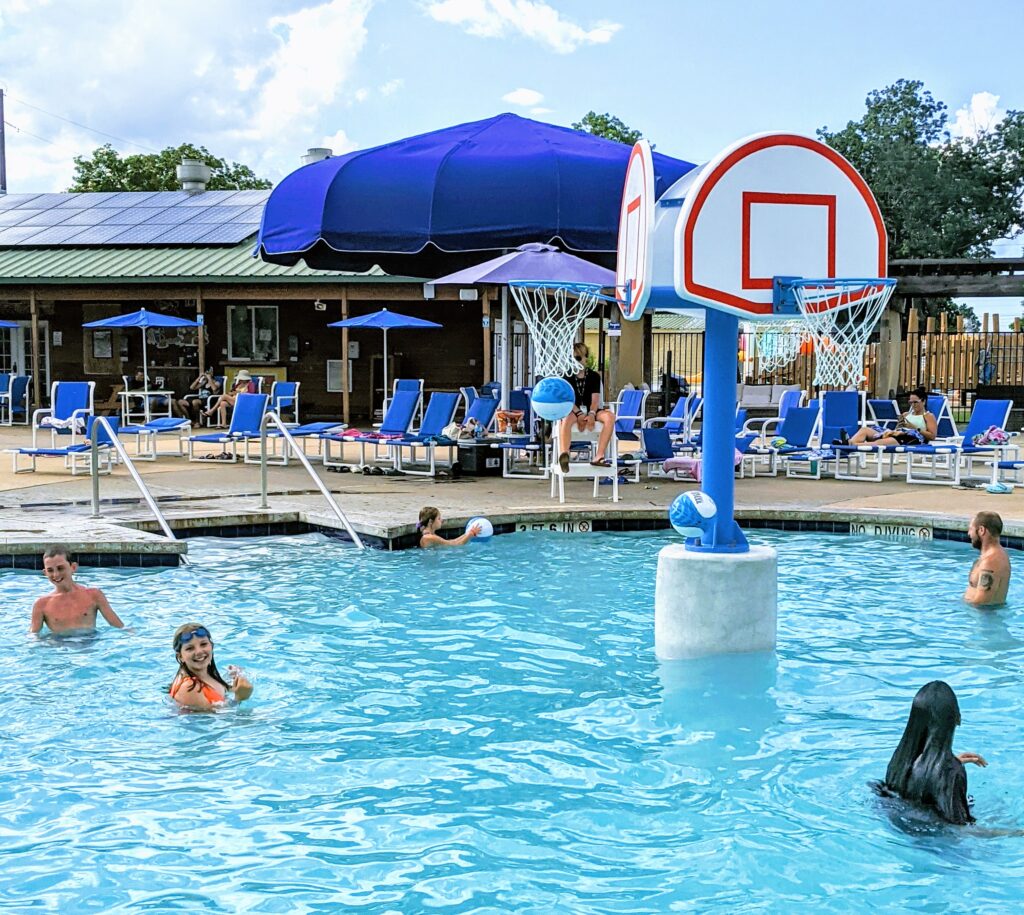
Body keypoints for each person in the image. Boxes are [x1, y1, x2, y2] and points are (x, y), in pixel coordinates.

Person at [874, 681, 986, 825]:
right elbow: (960, 830)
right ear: (957, 718)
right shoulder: (952, 773)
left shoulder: (899, 762)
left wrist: (938, 766)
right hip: (938, 842)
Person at [29, 545, 126, 634]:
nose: (56, 575)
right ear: (45, 573)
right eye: (50, 570)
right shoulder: (41, 604)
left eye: (60, 568)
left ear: (73, 567)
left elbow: (118, 626)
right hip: (60, 649)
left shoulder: (94, 595)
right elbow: (34, 637)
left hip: (89, 647)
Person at [557, 342, 616, 472]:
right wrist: (579, 414)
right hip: (573, 410)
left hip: (591, 410)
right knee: (566, 419)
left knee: (610, 417)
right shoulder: (566, 376)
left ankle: (599, 455)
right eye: (573, 358)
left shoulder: (594, 376)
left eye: (578, 358)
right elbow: (567, 399)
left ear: (585, 358)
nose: (576, 362)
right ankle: (564, 454)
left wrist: (591, 414)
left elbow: (595, 400)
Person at [169, 622, 253, 709]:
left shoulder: (208, 674)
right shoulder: (189, 688)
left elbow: (217, 694)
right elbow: (217, 717)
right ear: (180, 656)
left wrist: (234, 680)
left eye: (203, 644)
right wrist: (240, 698)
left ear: (212, 646)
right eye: (190, 648)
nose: (199, 652)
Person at [844, 387, 936, 447]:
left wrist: (916, 428)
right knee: (865, 430)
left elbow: (932, 436)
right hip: (898, 435)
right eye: (910, 402)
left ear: (923, 401)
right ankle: (847, 446)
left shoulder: (928, 416)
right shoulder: (906, 414)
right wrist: (896, 429)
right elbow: (898, 429)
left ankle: (850, 444)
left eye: (915, 402)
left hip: (912, 438)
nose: (913, 405)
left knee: (881, 443)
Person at [964, 510, 1011, 606]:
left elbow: (981, 603)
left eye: (971, 529)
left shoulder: (991, 562)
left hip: (983, 618)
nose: (969, 533)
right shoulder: (992, 556)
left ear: (981, 530)